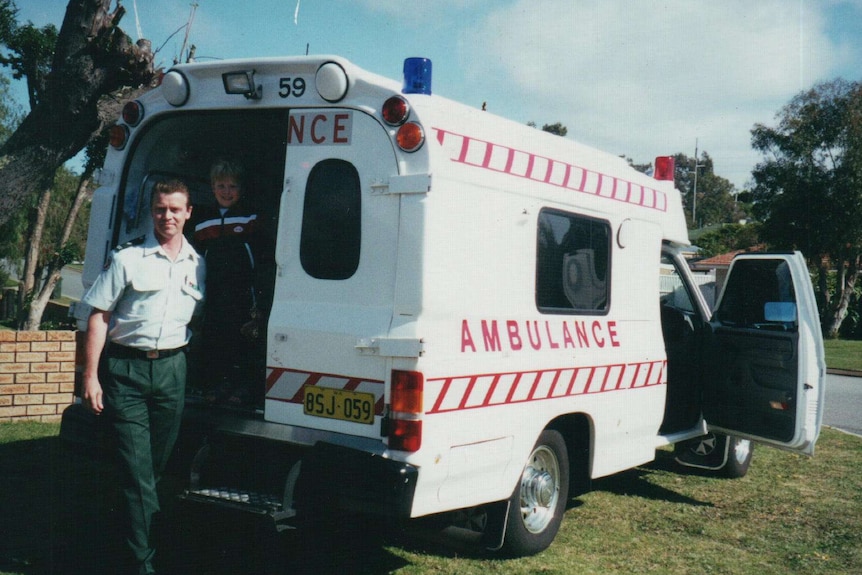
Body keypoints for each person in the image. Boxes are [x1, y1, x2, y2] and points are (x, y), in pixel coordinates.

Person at [81, 179, 205, 575]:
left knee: (153, 470)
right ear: (151, 212)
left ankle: (128, 541)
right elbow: (98, 316)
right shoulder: (128, 259)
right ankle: (143, 564)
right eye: (159, 209)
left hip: (172, 370)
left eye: (174, 209)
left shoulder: (198, 264)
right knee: (138, 474)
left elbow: (196, 319)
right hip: (126, 371)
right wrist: (91, 376)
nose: (166, 216)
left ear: (188, 213)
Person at [189, 159, 273, 407]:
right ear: (213, 188)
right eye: (221, 186)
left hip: (244, 295)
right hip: (214, 293)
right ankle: (216, 385)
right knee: (215, 340)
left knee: (244, 342)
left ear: (241, 189)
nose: (226, 192)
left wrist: (260, 298)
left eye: (232, 186)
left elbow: (263, 261)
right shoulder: (203, 221)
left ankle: (242, 387)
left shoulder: (251, 219)